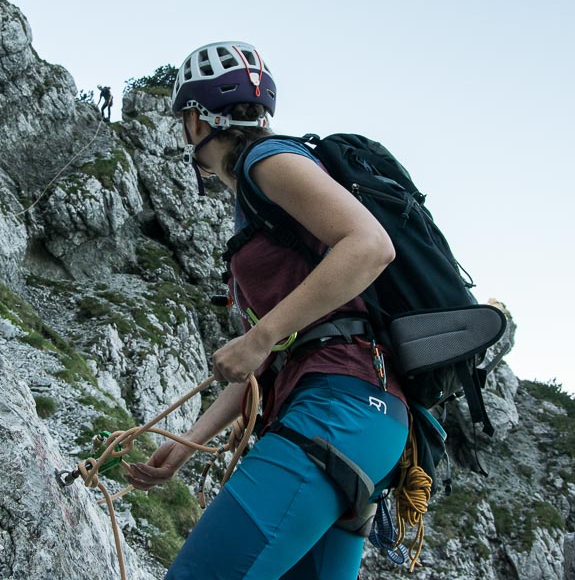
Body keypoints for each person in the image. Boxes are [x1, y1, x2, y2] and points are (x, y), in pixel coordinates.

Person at [126, 41, 410, 580]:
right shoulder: (262, 211)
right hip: (362, 424)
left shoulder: (267, 160)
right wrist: (187, 445)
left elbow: (370, 245)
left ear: (195, 118)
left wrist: (259, 337)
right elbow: (273, 357)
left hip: (333, 410)